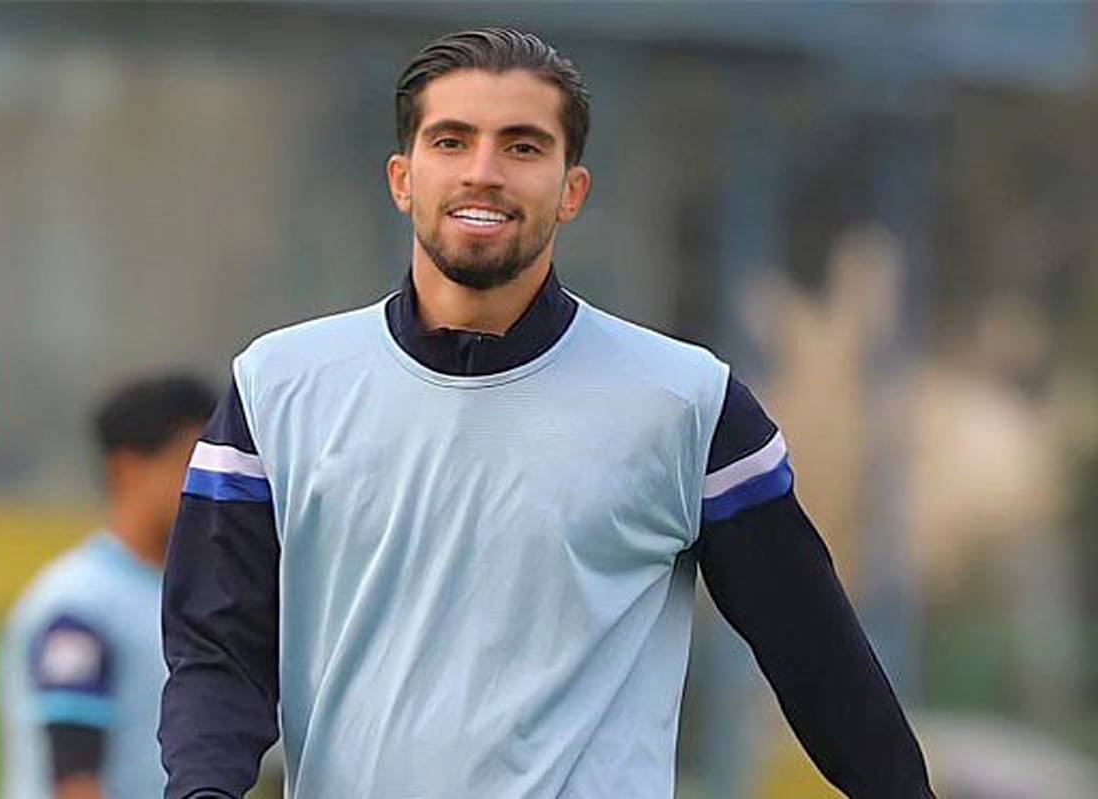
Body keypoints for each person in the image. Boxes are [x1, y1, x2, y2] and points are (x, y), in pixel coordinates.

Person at [160, 28, 935, 799]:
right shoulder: (278, 386)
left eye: (523, 147)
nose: (483, 172)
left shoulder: (687, 405)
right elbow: (217, 650)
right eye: (452, 141)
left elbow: (817, 658)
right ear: (402, 178)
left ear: (572, 190)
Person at [0, 375, 215, 799]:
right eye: (190, 464)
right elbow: (75, 776)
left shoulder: (201, 593)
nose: (210, 486)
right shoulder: (81, 603)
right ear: (128, 469)